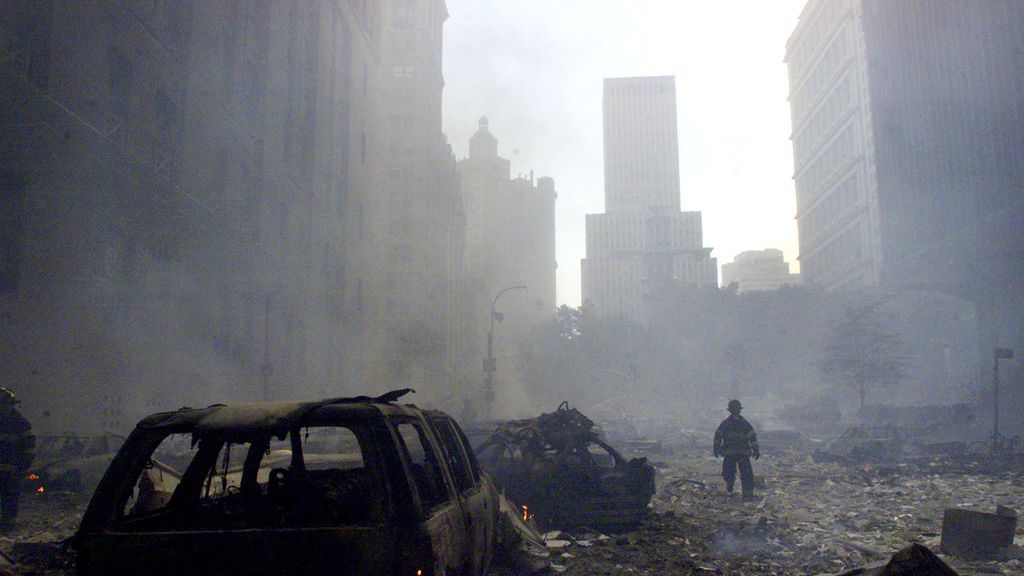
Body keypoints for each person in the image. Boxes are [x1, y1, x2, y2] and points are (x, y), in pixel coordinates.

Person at [0, 388, 34, 530]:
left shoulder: (21, 424)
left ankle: (9, 527)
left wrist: (22, 467)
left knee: (10, 501)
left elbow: (29, 448)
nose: (3, 408)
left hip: (12, 473)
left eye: (6, 405)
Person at [713, 399, 759, 501]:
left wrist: (756, 449)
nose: (735, 411)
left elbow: (752, 437)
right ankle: (730, 486)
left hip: (742, 453)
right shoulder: (725, 424)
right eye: (734, 409)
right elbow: (718, 436)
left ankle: (747, 496)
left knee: (746, 475)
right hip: (731, 453)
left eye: (736, 409)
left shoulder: (744, 424)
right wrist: (716, 448)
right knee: (728, 473)